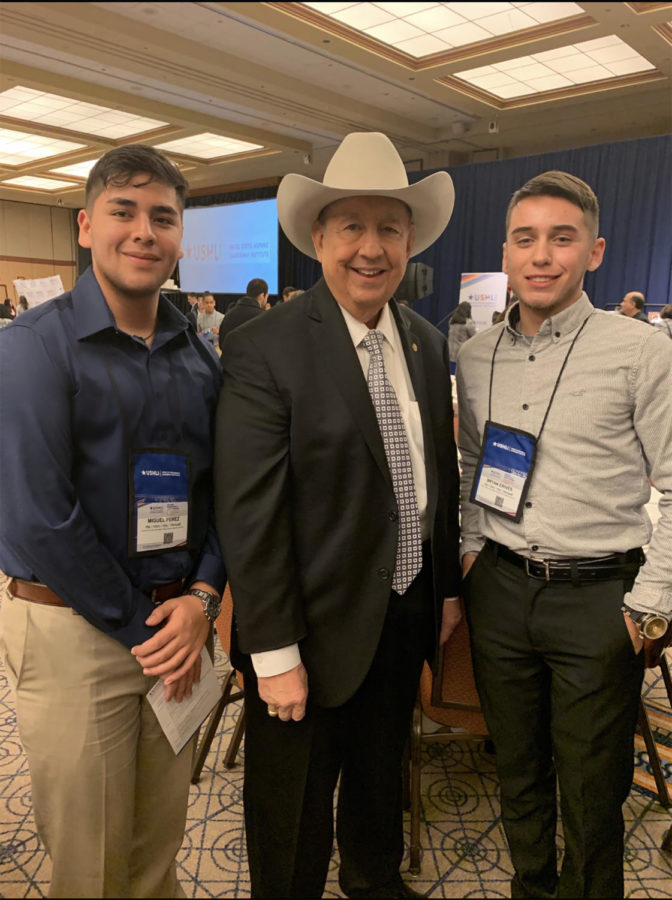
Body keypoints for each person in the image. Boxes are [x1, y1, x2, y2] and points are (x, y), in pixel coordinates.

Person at [214, 131, 461, 899]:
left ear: (410, 240)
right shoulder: (267, 347)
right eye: (351, 226)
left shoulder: (423, 340)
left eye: (388, 228)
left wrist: (445, 590)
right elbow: (249, 515)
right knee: (292, 827)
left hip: (401, 617)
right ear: (317, 238)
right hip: (307, 635)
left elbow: (435, 482)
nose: (370, 247)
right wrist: (275, 654)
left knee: (377, 797)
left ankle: (375, 884)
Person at [0, 144, 226, 898]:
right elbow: (41, 518)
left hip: (173, 625)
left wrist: (200, 601)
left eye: (163, 217)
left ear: (178, 236)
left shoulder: (199, 353)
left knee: (158, 845)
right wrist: (145, 627)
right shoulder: (34, 347)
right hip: (76, 632)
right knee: (91, 863)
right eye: (123, 212)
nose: (143, 232)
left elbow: (223, 492)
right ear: (86, 225)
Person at [456, 170, 672, 899]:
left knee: (590, 785)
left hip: (598, 598)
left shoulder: (642, 352)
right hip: (500, 588)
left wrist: (651, 603)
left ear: (596, 252)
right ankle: (530, 887)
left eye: (562, 238)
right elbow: (470, 463)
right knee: (516, 769)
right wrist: (470, 544)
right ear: (506, 253)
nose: (541, 255)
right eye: (526, 238)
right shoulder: (476, 356)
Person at [218, 277, 268, 351]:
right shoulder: (263, 317)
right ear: (262, 295)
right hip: (253, 361)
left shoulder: (229, 314)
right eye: (267, 296)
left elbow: (222, 344)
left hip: (230, 360)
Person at [447, 300, 476, 370]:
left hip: (449, 354)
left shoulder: (452, 321)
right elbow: (475, 337)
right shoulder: (468, 323)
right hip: (461, 356)